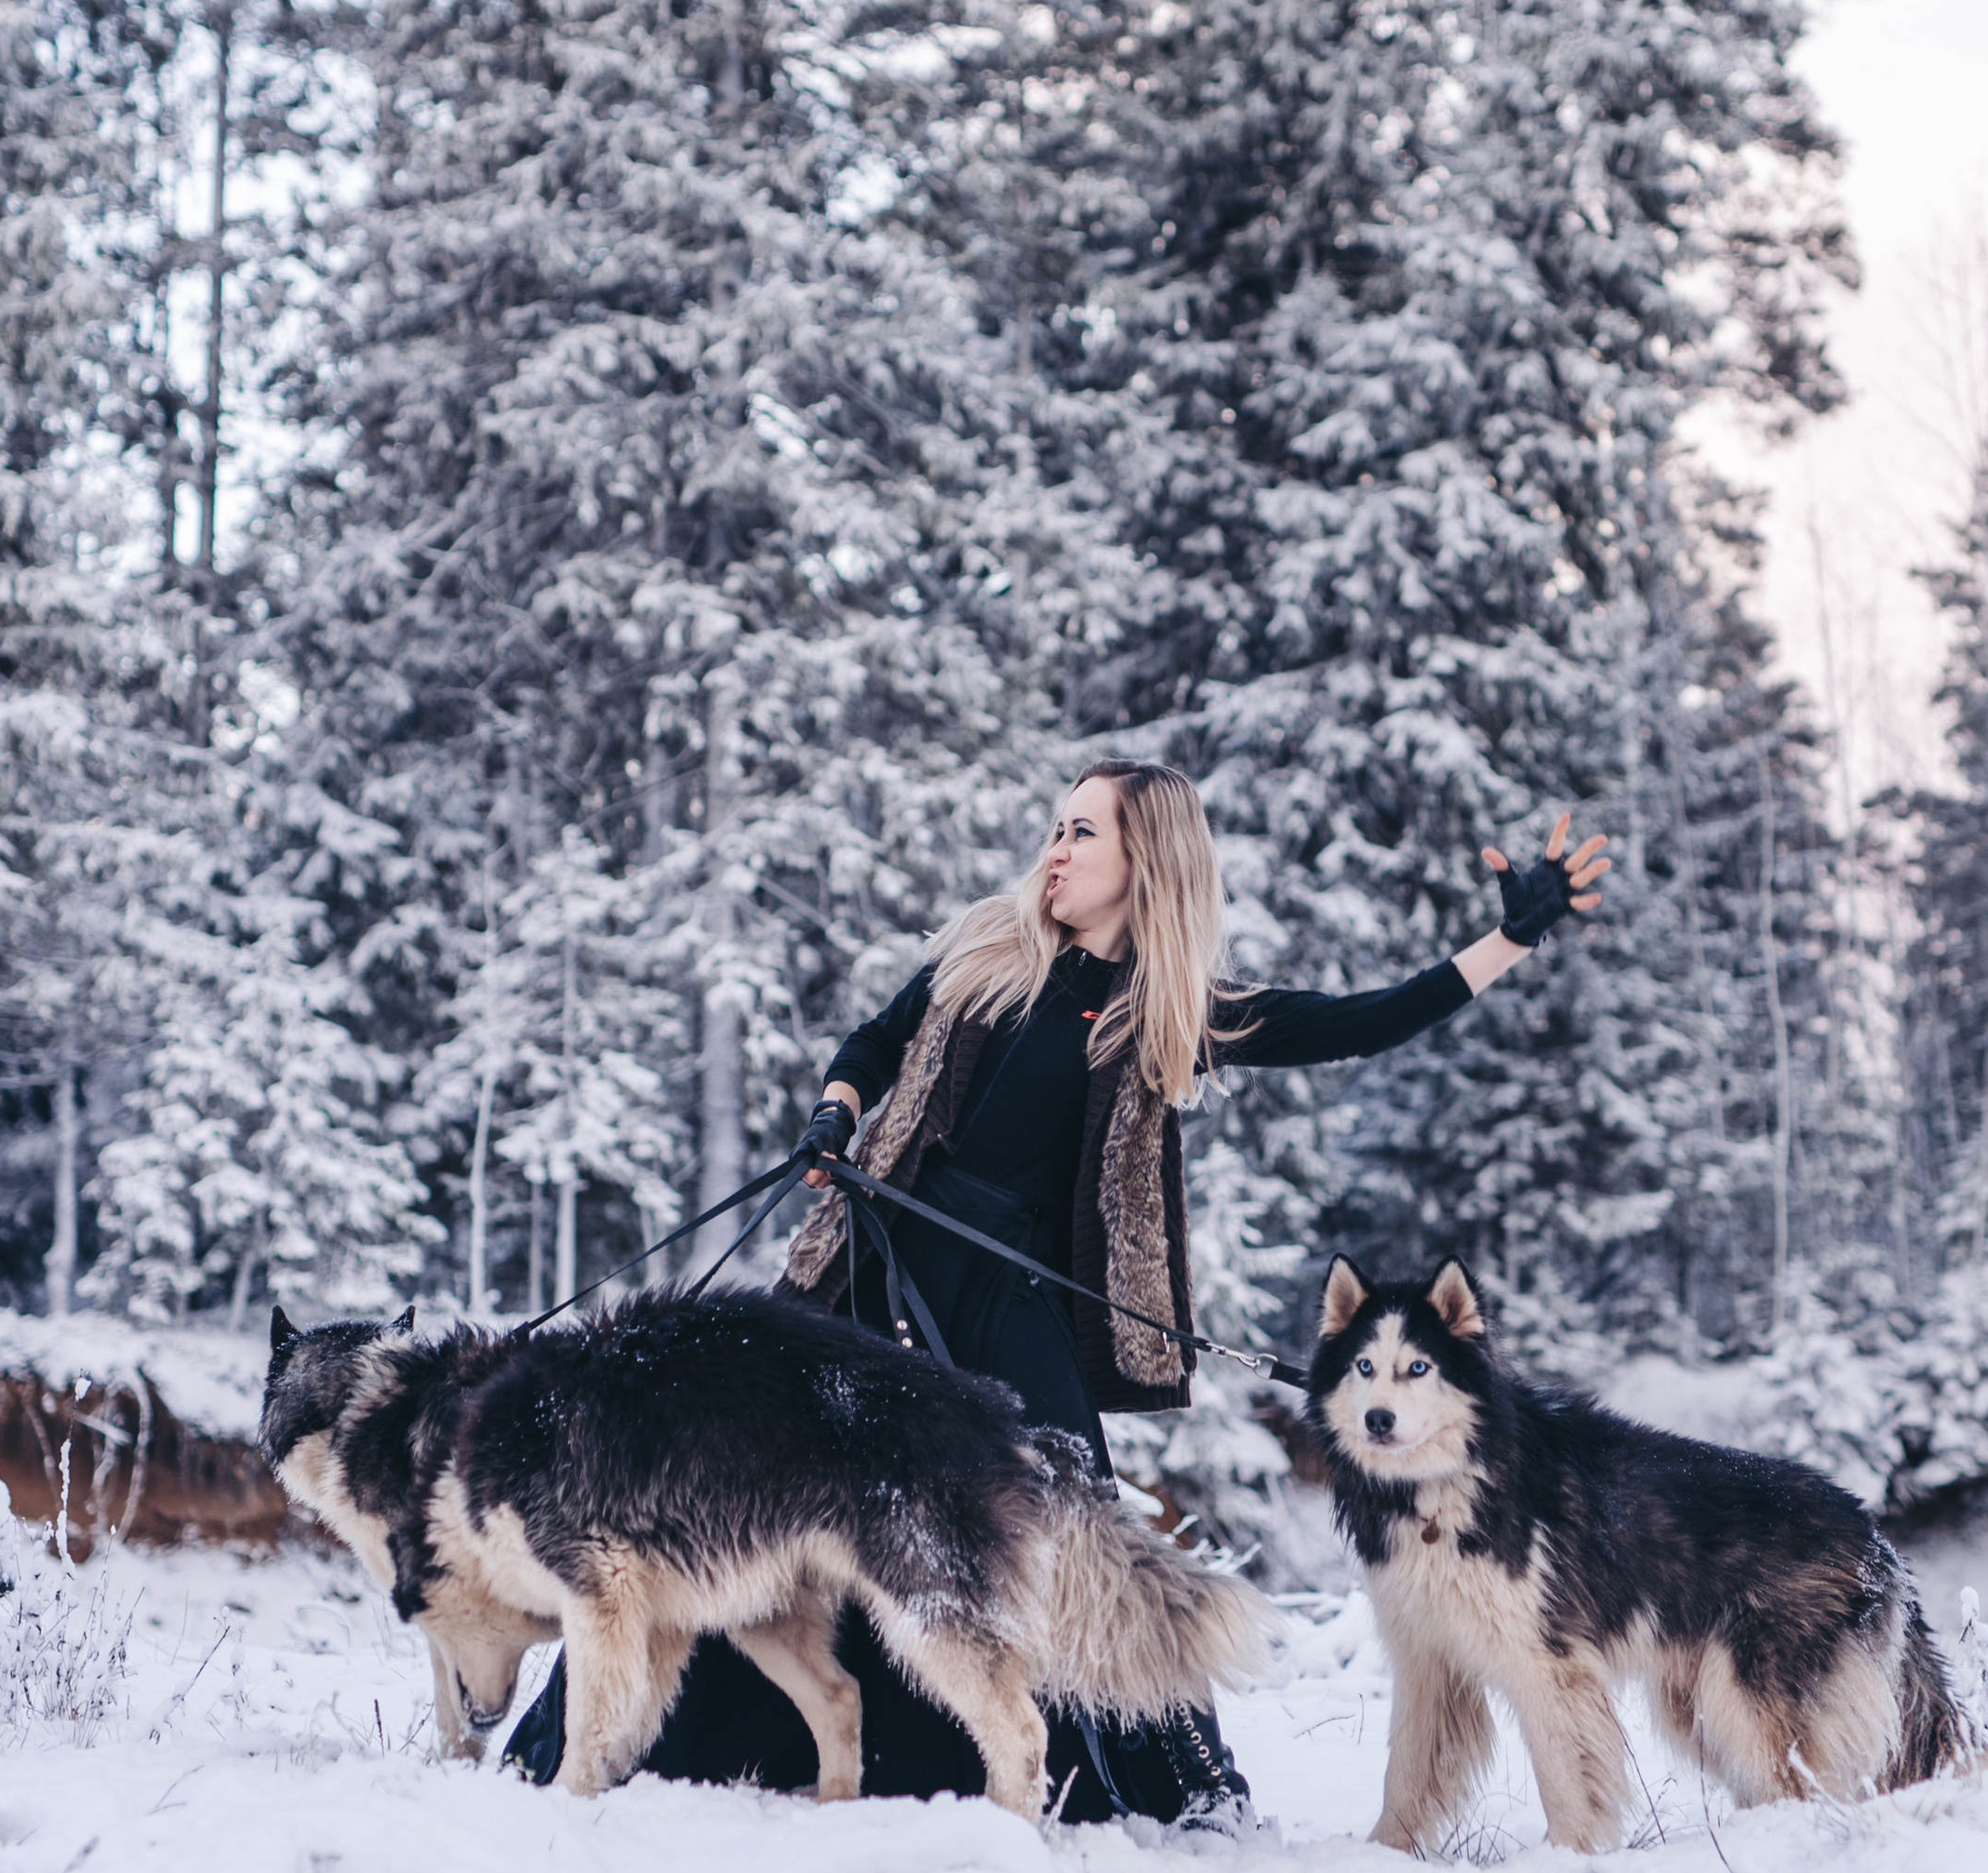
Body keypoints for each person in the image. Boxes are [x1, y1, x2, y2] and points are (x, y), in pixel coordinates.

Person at [507, 760, 1608, 1819]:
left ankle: (1103, 1785)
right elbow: (876, 1040)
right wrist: (836, 1111)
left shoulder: (1168, 1009)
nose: (1057, 847)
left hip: (1013, 1298)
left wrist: (1510, 934)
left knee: (1062, 1526)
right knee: (744, 1489)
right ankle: (655, 1744)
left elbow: (1363, 1020)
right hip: (875, 1262)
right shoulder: (986, 950)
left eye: (1085, 830)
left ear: (1146, 860)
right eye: (1056, 825)